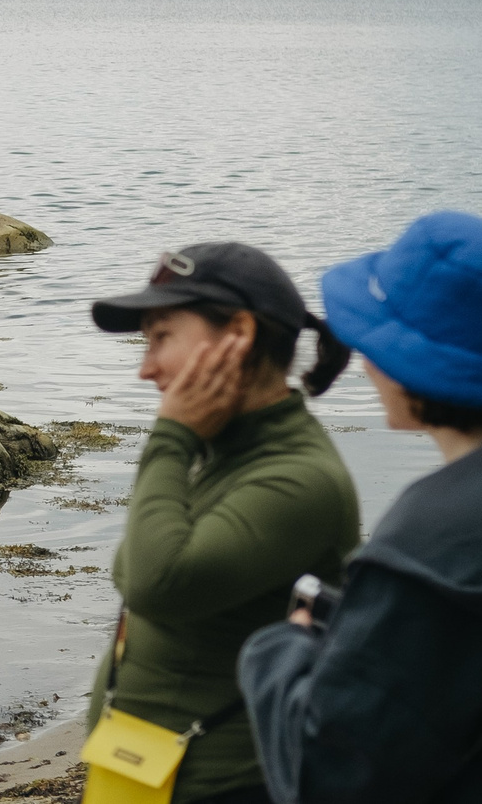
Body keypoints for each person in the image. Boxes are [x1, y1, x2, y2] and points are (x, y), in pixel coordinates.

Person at [238, 211, 482, 804]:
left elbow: (325, 777)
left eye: (375, 337)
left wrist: (278, 651)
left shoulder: (430, 541)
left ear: (415, 363)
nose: (367, 360)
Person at [84, 243, 360, 804]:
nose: (146, 368)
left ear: (239, 333)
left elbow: (157, 582)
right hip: (140, 777)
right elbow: (141, 562)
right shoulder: (221, 451)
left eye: (162, 337)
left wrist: (170, 436)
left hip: (225, 785)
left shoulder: (299, 478)